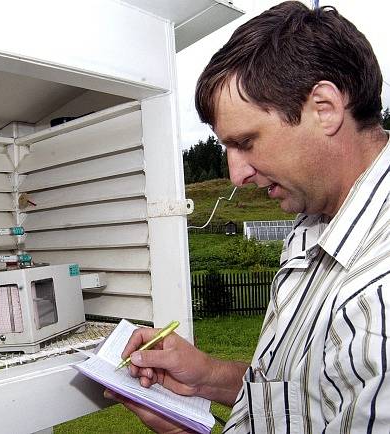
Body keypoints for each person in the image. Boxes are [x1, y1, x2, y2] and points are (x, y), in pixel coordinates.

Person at [104, 1, 390, 432]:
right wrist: (207, 376)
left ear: (325, 108)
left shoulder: (379, 300)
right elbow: (309, 395)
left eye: (247, 141)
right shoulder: (319, 217)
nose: (236, 174)